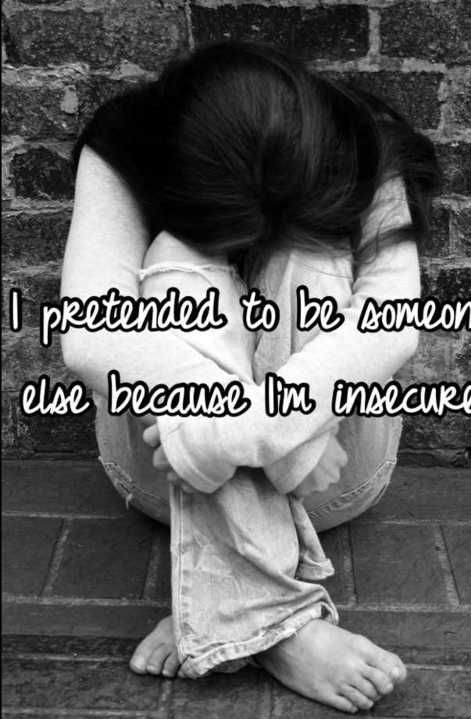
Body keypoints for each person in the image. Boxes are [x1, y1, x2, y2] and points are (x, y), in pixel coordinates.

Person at [61, 41, 440, 712]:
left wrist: (229, 433)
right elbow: (91, 336)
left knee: (307, 255)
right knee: (179, 260)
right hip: (170, 475)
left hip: (326, 471)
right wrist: (287, 441)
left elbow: (392, 325)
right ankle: (271, 622)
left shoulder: (367, 146)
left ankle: (219, 609)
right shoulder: (126, 146)